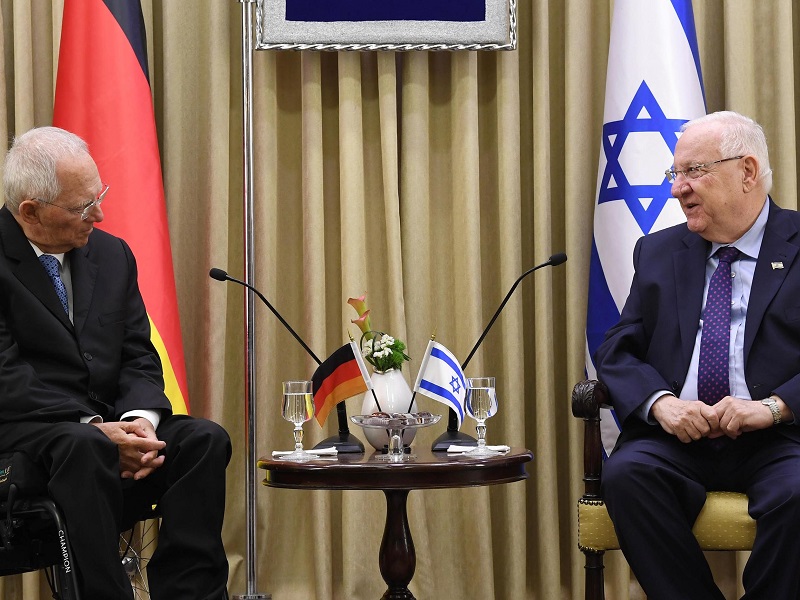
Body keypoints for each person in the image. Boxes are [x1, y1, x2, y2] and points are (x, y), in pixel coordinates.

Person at [0, 126, 231, 600]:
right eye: (83, 207)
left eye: (98, 197)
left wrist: (137, 422)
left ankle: (192, 594)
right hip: (30, 434)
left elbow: (138, 354)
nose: (99, 215)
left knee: (203, 440)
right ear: (31, 211)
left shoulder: (111, 254)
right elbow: (6, 377)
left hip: (108, 428)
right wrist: (94, 426)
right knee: (82, 446)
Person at [595, 111, 800, 599]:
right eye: (675, 173)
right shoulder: (660, 251)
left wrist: (772, 407)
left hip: (778, 436)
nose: (676, 189)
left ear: (747, 172)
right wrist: (661, 403)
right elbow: (617, 348)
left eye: (693, 172)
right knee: (626, 476)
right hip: (676, 439)